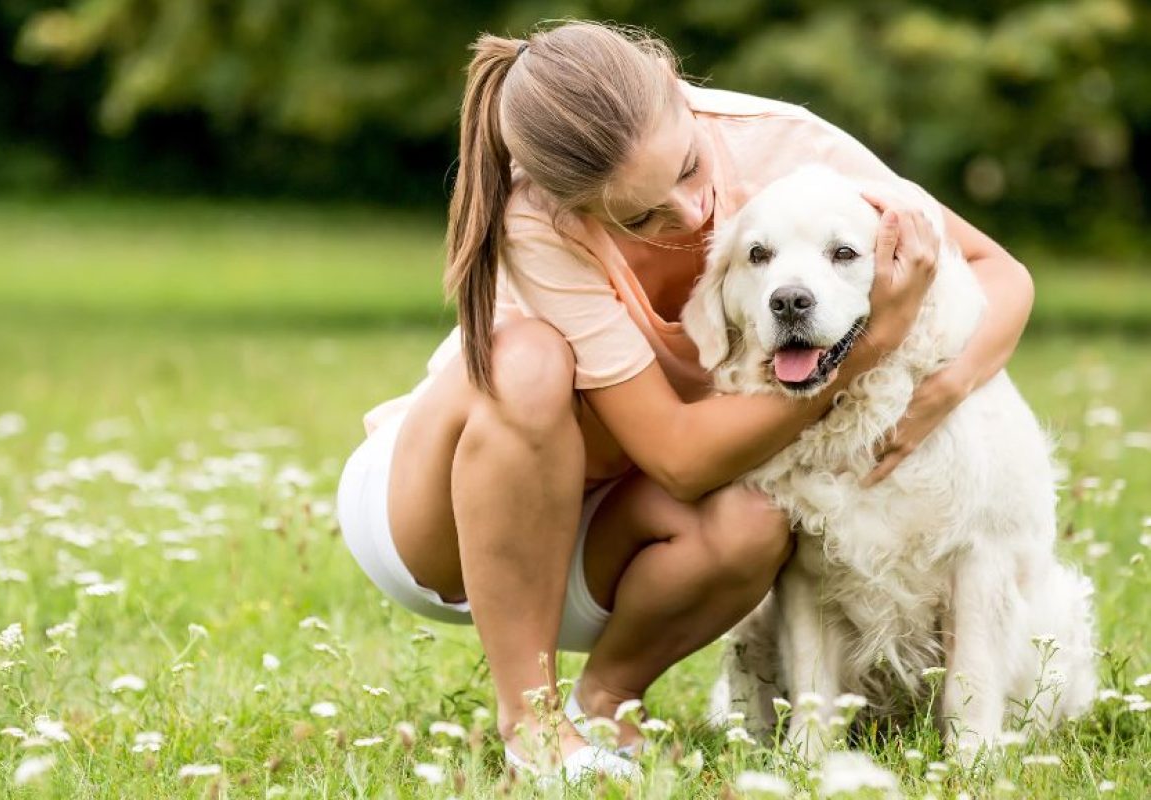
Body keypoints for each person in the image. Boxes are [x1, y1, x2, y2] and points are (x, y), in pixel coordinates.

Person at [335, 21, 1033, 781]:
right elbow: (680, 458)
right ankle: (530, 727)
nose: (695, 210)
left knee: (759, 516)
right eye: (639, 216)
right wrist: (869, 345)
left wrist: (945, 387)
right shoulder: (537, 218)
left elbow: (999, 272)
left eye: (691, 167)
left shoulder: (782, 144)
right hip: (443, 527)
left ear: (675, 88)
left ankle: (606, 704)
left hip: (599, 537)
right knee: (528, 360)